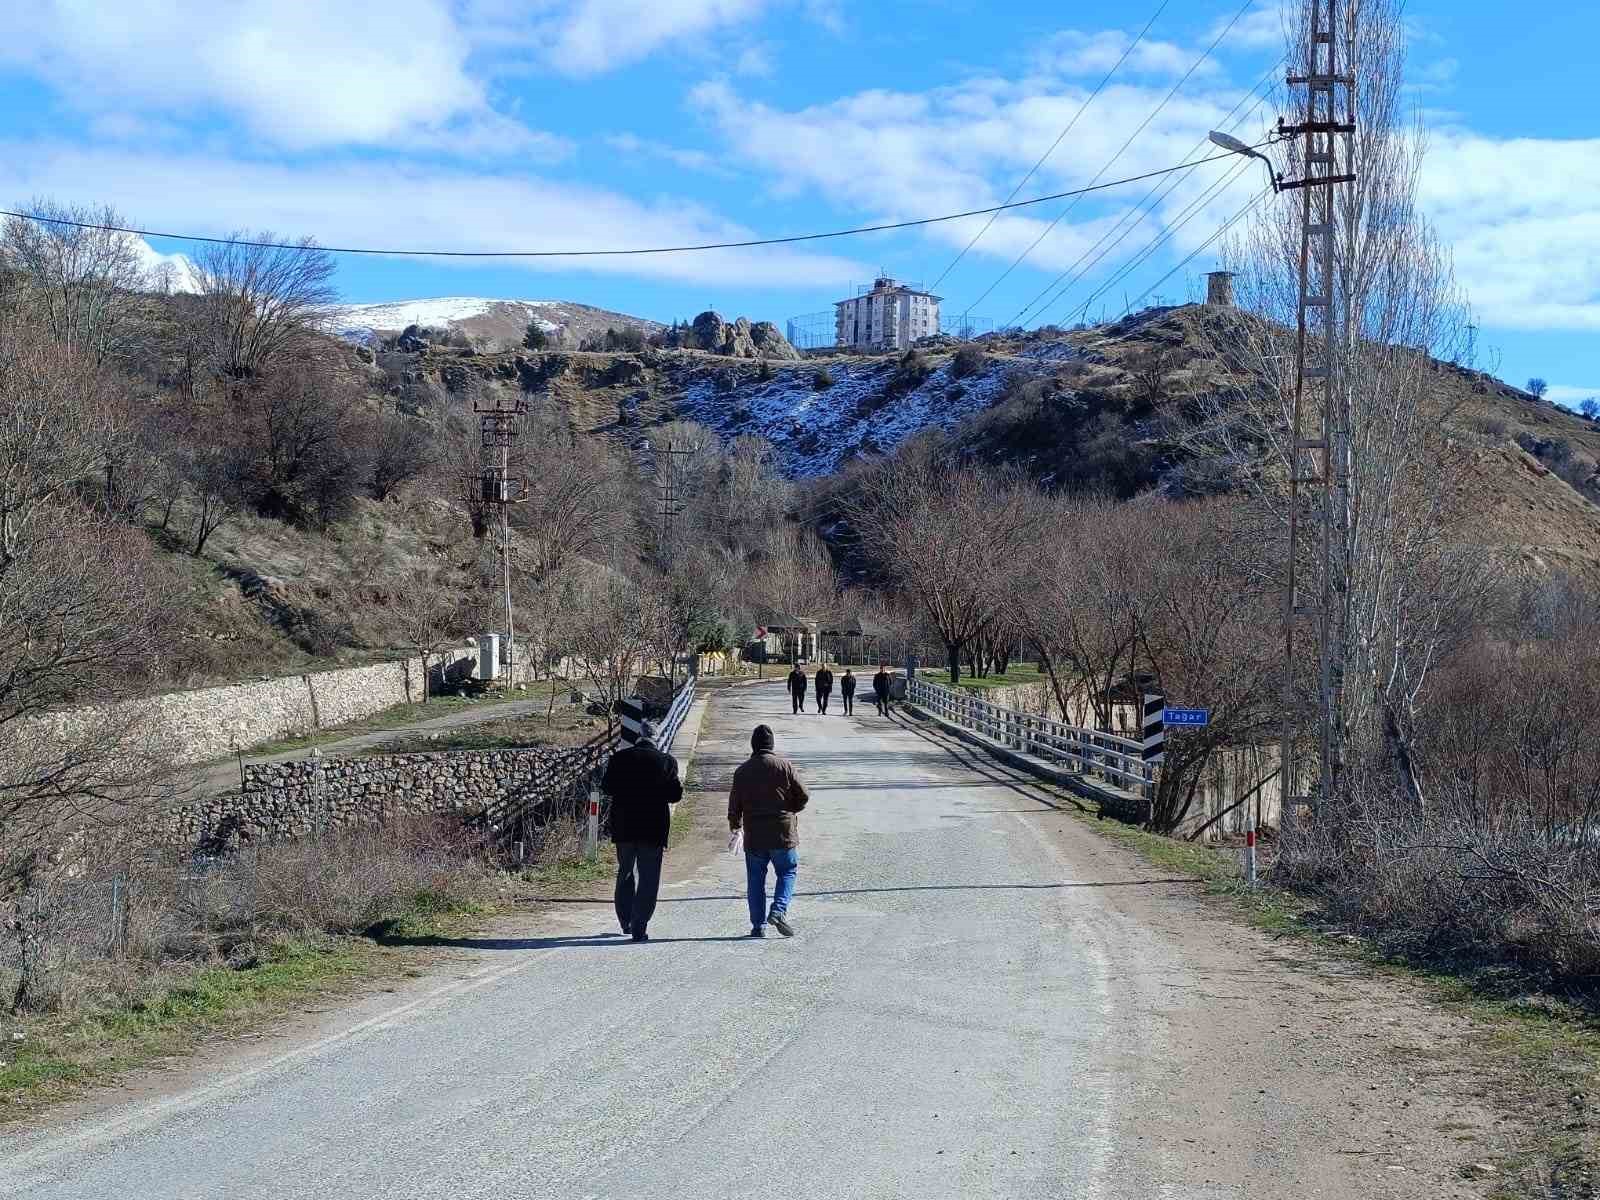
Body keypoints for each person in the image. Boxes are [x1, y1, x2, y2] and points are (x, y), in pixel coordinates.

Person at [600, 719, 682, 942]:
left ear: (638, 735)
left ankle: (625, 919)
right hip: (653, 828)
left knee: (625, 871)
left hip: (624, 826)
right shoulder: (666, 761)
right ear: (656, 738)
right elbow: (675, 795)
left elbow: (606, 787)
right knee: (649, 876)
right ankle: (640, 923)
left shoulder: (619, 759)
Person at [728, 724, 809, 938]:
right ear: (771, 745)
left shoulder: (742, 771)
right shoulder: (785, 766)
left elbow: (734, 806)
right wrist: (790, 809)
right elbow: (803, 796)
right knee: (787, 872)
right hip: (783, 833)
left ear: (753, 745)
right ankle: (779, 910)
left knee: (755, 880)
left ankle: (758, 926)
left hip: (754, 835)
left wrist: (735, 827)